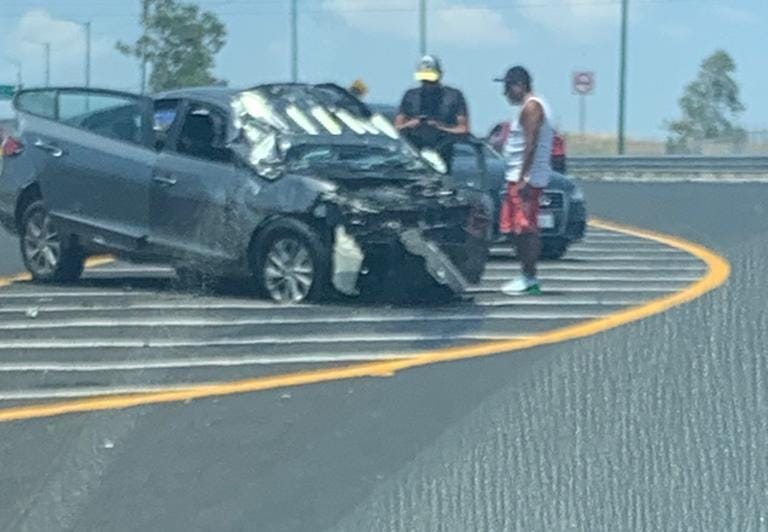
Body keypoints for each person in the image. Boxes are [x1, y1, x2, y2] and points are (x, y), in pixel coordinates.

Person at [495, 66, 555, 296]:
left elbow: (531, 145)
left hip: (526, 179)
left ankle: (530, 278)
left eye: (507, 87)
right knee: (515, 229)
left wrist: (523, 179)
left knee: (525, 229)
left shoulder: (532, 107)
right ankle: (526, 275)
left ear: (518, 85)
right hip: (518, 177)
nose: (505, 93)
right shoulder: (530, 106)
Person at [394, 55, 469, 170]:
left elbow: (463, 129)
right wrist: (412, 124)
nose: (428, 85)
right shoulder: (410, 96)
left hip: (444, 159)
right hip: (413, 159)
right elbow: (396, 128)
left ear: (440, 75)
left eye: (431, 80)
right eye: (424, 80)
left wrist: (439, 127)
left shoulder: (454, 96)